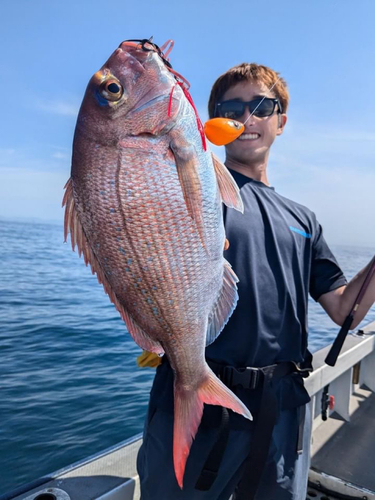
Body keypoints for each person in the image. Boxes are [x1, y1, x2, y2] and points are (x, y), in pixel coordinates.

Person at [137, 63, 375, 500]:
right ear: (212, 121)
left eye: (263, 106)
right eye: (232, 107)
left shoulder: (304, 219)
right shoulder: (193, 187)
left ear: (281, 121)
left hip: (282, 410)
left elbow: (345, 308)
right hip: (199, 405)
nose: (247, 118)